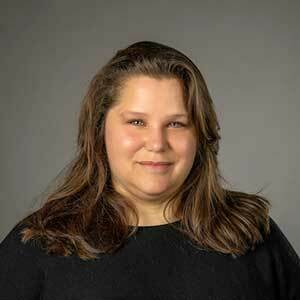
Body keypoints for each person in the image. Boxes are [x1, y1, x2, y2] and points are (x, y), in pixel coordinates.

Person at [0, 40, 299, 299]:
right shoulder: (40, 245)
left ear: (200, 135)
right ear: (99, 130)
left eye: (176, 124)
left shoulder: (253, 235)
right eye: (137, 122)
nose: (157, 143)